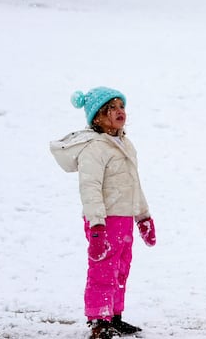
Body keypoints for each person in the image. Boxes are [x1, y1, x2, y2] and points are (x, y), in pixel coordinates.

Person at [50, 87, 156, 339]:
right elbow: (90, 188)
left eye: (122, 106)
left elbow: (134, 183)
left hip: (124, 218)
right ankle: (99, 320)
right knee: (103, 270)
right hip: (104, 221)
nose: (120, 111)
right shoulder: (94, 148)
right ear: (98, 116)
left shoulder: (124, 143)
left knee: (120, 268)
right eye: (112, 108)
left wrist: (143, 216)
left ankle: (114, 316)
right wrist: (96, 226)